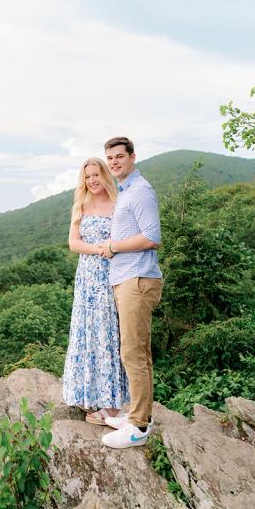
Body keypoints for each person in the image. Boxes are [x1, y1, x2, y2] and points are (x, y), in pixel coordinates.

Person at [99, 136, 163, 449]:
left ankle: (138, 427)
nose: (114, 163)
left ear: (133, 157)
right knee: (140, 351)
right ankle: (141, 415)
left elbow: (152, 237)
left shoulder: (140, 191)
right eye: (109, 158)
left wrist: (113, 246)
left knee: (132, 352)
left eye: (119, 157)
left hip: (138, 279)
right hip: (128, 278)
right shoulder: (125, 191)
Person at [62, 158, 129, 423]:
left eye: (96, 174)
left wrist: (108, 250)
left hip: (110, 275)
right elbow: (73, 243)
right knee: (86, 332)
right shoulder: (81, 205)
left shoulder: (118, 204)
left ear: (105, 176)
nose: (92, 180)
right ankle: (90, 398)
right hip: (86, 278)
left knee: (107, 335)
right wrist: (100, 249)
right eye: (88, 176)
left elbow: (123, 239)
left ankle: (111, 406)